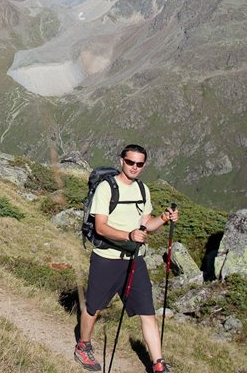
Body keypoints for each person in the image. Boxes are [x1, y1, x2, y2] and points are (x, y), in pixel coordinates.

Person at [73, 144, 179, 372]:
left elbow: (146, 225)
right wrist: (128, 235)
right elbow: (101, 228)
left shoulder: (143, 190)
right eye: (130, 162)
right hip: (107, 258)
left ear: (144, 165)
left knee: (147, 312)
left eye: (139, 164)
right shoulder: (106, 188)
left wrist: (163, 218)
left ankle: (158, 363)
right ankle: (83, 346)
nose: (134, 167)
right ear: (122, 161)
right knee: (94, 307)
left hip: (135, 259)